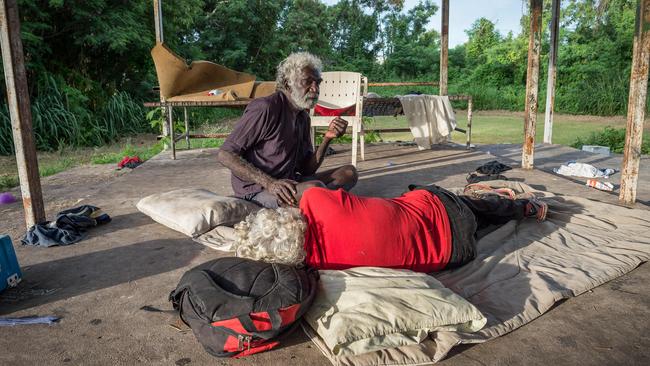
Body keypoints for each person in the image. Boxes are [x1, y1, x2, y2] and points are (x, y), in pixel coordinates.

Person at [233, 185, 549, 273]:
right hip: (441, 207)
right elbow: (311, 185)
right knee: (436, 197)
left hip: (454, 255)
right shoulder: (316, 200)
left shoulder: (320, 267)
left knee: (475, 223)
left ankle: (499, 213)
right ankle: (524, 208)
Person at [217, 52, 358, 209]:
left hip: (290, 183)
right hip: (258, 190)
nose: (315, 88)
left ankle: (316, 203)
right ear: (287, 83)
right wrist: (270, 183)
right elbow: (225, 154)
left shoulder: (303, 117)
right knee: (315, 189)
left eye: (318, 83)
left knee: (349, 173)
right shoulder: (265, 108)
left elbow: (306, 169)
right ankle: (319, 203)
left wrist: (327, 138)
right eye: (308, 82)